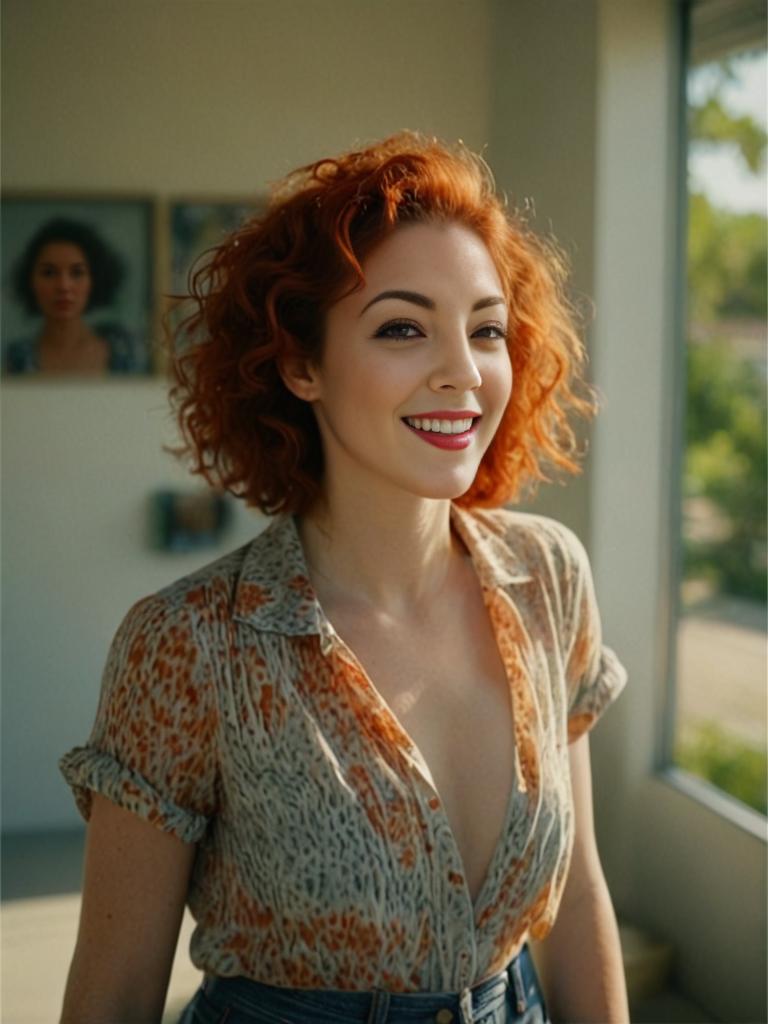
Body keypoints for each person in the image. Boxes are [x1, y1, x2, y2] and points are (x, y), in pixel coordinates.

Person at [59, 132, 629, 1024]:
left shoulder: (547, 576)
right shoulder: (189, 643)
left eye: (485, 329)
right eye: (403, 327)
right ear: (300, 365)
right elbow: (116, 995)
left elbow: (580, 894)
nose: (463, 373)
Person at [5, 217, 141, 375]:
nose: (63, 286)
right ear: (30, 281)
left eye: (77, 273)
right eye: (49, 273)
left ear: (95, 280)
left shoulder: (125, 350)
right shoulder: (14, 360)